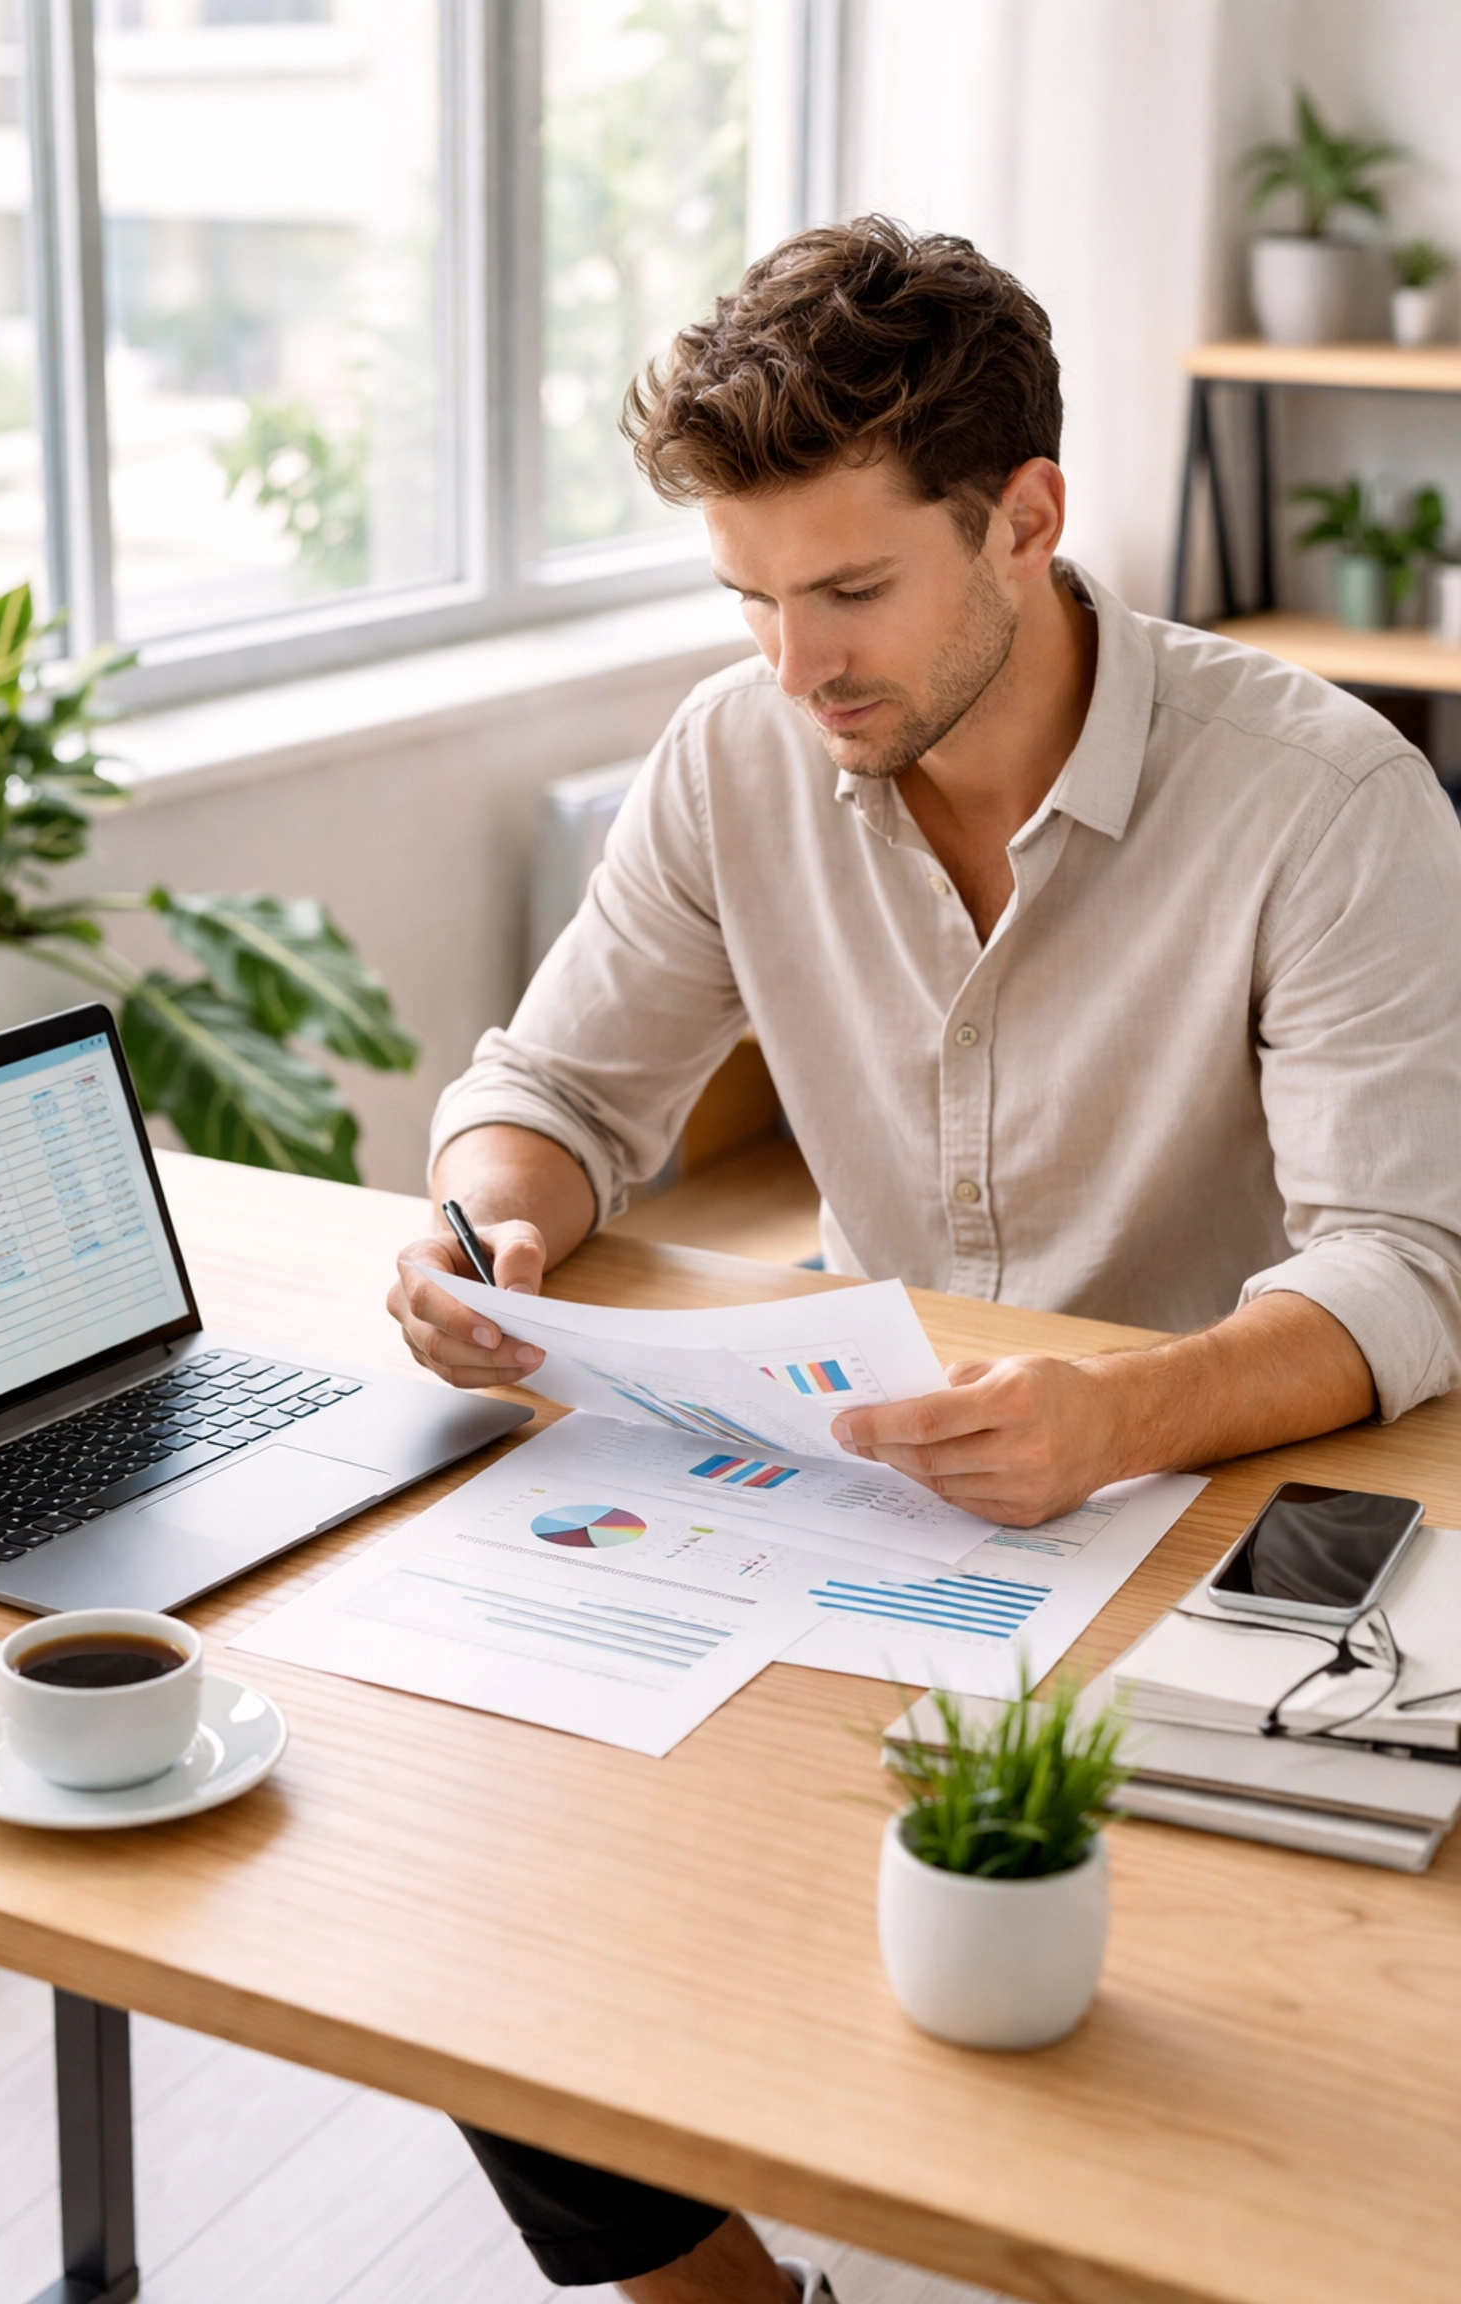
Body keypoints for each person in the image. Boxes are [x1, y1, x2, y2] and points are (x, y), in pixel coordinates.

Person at [388, 219, 1461, 2301]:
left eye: (852, 591)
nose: (796, 666)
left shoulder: (1327, 803)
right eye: (750, 598)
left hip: (1240, 1500)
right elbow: (555, 1089)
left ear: (1025, 521)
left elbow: (1407, 1263)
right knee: (476, 1874)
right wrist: (493, 1222)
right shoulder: (738, 754)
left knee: (1196, 2093)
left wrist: (1118, 1414)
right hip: (877, 1495)